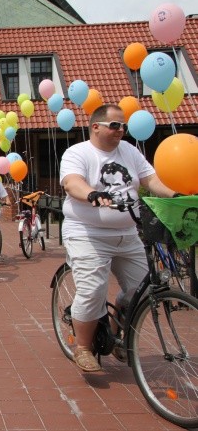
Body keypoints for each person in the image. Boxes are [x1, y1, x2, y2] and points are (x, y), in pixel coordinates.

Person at [60, 104, 175, 372]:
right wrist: (91, 193)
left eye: (123, 126)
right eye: (114, 125)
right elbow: (71, 182)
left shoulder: (130, 152)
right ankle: (84, 348)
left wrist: (176, 196)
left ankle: (117, 331)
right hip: (88, 233)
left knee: (144, 289)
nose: (121, 130)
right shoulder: (78, 153)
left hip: (128, 233)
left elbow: (151, 180)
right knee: (92, 291)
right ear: (96, 127)